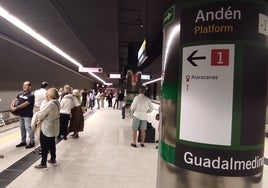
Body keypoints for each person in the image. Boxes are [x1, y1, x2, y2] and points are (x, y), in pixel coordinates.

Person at [34, 88, 60, 169]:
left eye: (47, 94)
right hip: (54, 126)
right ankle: (53, 159)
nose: (46, 96)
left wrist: (37, 113)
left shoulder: (50, 104)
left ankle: (43, 163)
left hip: (47, 127)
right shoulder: (57, 102)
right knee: (52, 143)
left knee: (44, 145)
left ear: (50, 95)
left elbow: (41, 115)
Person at [10, 81, 35, 149]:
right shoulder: (20, 93)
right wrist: (11, 105)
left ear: (29, 87)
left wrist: (16, 108)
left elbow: (25, 104)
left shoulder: (31, 95)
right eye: (23, 85)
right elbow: (15, 99)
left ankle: (32, 142)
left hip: (27, 115)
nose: (24, 86)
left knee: (28, 128)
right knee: (22, 128)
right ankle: (23, 141)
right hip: (21, 114)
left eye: (26, 85)